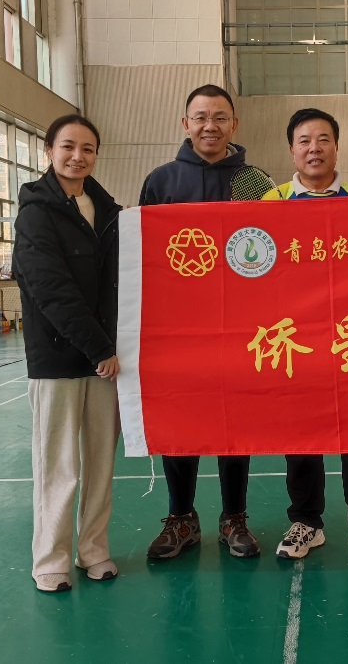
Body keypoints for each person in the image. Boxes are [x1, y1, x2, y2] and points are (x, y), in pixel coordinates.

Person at [139, 85, 260, 559]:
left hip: (241, 326)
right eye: (201, 117)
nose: (210, 125)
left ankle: (234, 517)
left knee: (235, 421)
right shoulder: (161, 181)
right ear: (185, 123)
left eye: (220, 117)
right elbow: (143, 256)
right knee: (180, 419)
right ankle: (181, 518)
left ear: (234, 124)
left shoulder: (254, 183)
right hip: (178, 329)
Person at [263, 108, 348, 562]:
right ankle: (305, 522)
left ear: (336, 146)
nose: (314, 148)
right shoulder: (271, 202)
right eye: (304, 141)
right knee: (302, 431)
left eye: (323, 139)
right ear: (291, 150)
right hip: (296, 337)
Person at [14, 114, 122, 592]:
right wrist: (98, 346)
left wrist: (112, 348)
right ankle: (50, 560)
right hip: (59, 359)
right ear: (49, 151)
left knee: (101, 464)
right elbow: (50, 288)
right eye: (68, 146)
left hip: (107, 362)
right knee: (58, 465)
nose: (78, 156)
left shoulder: (109, 211)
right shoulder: (35, 213)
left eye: (88, 148)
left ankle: (93, 550)